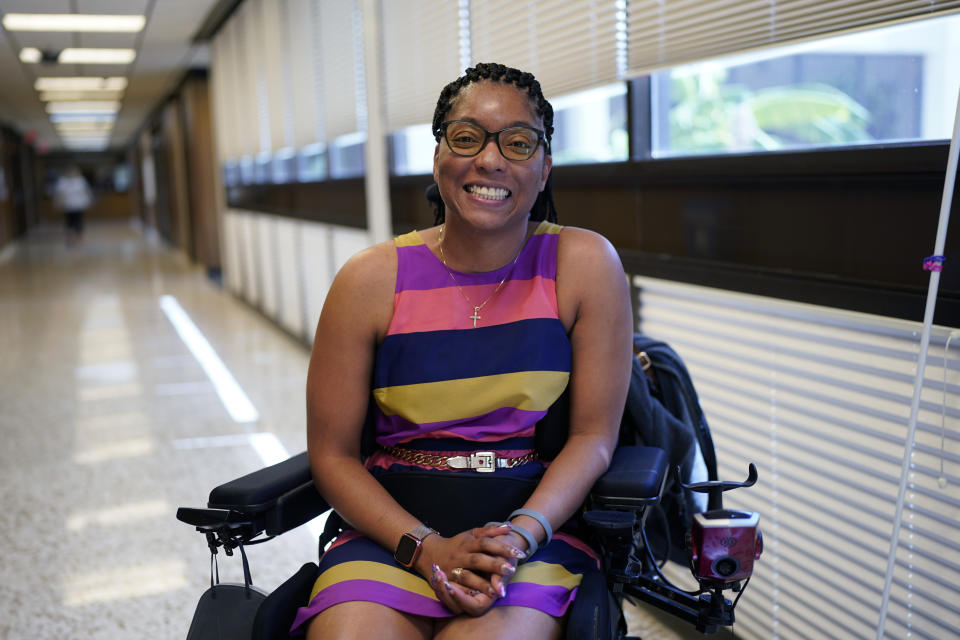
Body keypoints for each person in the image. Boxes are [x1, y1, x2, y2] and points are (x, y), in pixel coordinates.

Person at [293, 62, 634, 639]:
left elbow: (593, 438)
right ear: (438, 156)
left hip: (529, 532)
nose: (490, 160)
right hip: (392, 533)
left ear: (545, 167)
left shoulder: (583, 265)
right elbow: (332, 456)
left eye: (518, 143)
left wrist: (516, 537)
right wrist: (425, 548)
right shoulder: (370, 280)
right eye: (467, 137)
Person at [53, 165, 93, 246]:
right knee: (69, 223)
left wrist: (89, 202)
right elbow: (59, 194)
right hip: (68, 206)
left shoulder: (81, 181)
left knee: (79, 222)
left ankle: (79, 239)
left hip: (79, 205)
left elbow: (86, 192)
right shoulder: (62, 182)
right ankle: (69, 239)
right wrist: (57, 203)